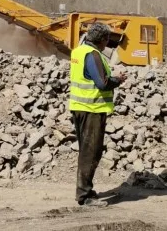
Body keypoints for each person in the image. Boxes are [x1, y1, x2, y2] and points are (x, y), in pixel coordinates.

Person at [69, 23, 127, 207]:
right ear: (102, 39)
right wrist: (118, 80)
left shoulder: (78, 51)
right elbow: (102, 84)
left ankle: (85, 190)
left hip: (79, 107)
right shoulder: (93, 55)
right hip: (92, 109)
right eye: (107, 40)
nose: (107, 44)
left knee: (86, 151)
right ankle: (84, 195)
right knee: (91, 153)